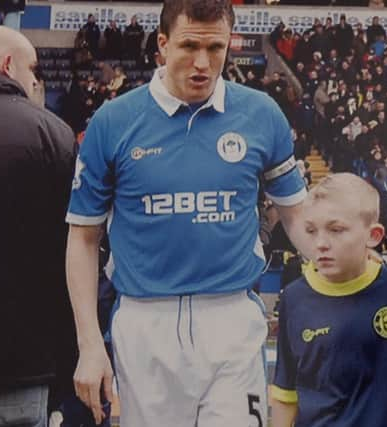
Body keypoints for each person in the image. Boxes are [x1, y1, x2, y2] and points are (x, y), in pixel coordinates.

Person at [65, 1, 306, 425]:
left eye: (215, 48)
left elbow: (297, 216)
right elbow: (83, 239)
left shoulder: (261, 113)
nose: (202, 63)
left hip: (232, 316)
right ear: (162, 44)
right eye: (189, 45)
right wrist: (89, 343)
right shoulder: (114, 121)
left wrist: (350, 262)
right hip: (146, 321)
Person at [271, 173, 387, 427]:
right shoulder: (294, 298)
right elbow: (285, 393)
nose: (321, 243)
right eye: (311, 230)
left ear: (374, 235)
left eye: (336, 230)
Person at [0, 26, 77, 426]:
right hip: (19, 361)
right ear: (9, 65)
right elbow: (73, 249)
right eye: (34, 71)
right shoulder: (53, 134)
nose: (36, 81)